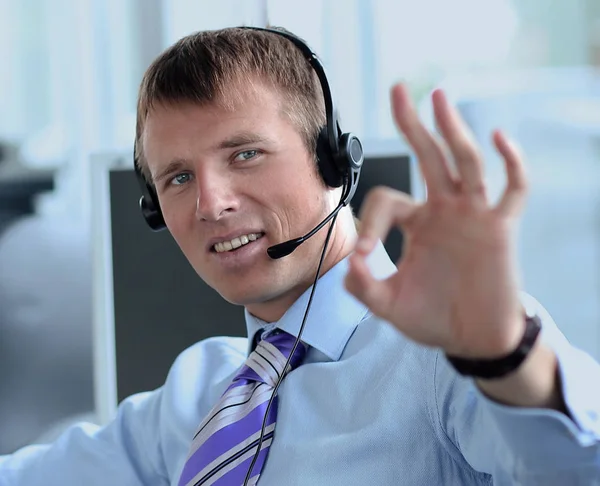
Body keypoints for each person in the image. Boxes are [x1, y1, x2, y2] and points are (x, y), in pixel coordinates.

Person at [1, 26, 599, 486]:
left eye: (245, 155)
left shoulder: (447, 352)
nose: (210, 203)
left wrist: (503, 358)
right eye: (178, 178)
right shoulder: (199, 393)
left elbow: (577, 463)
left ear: (334, 164)